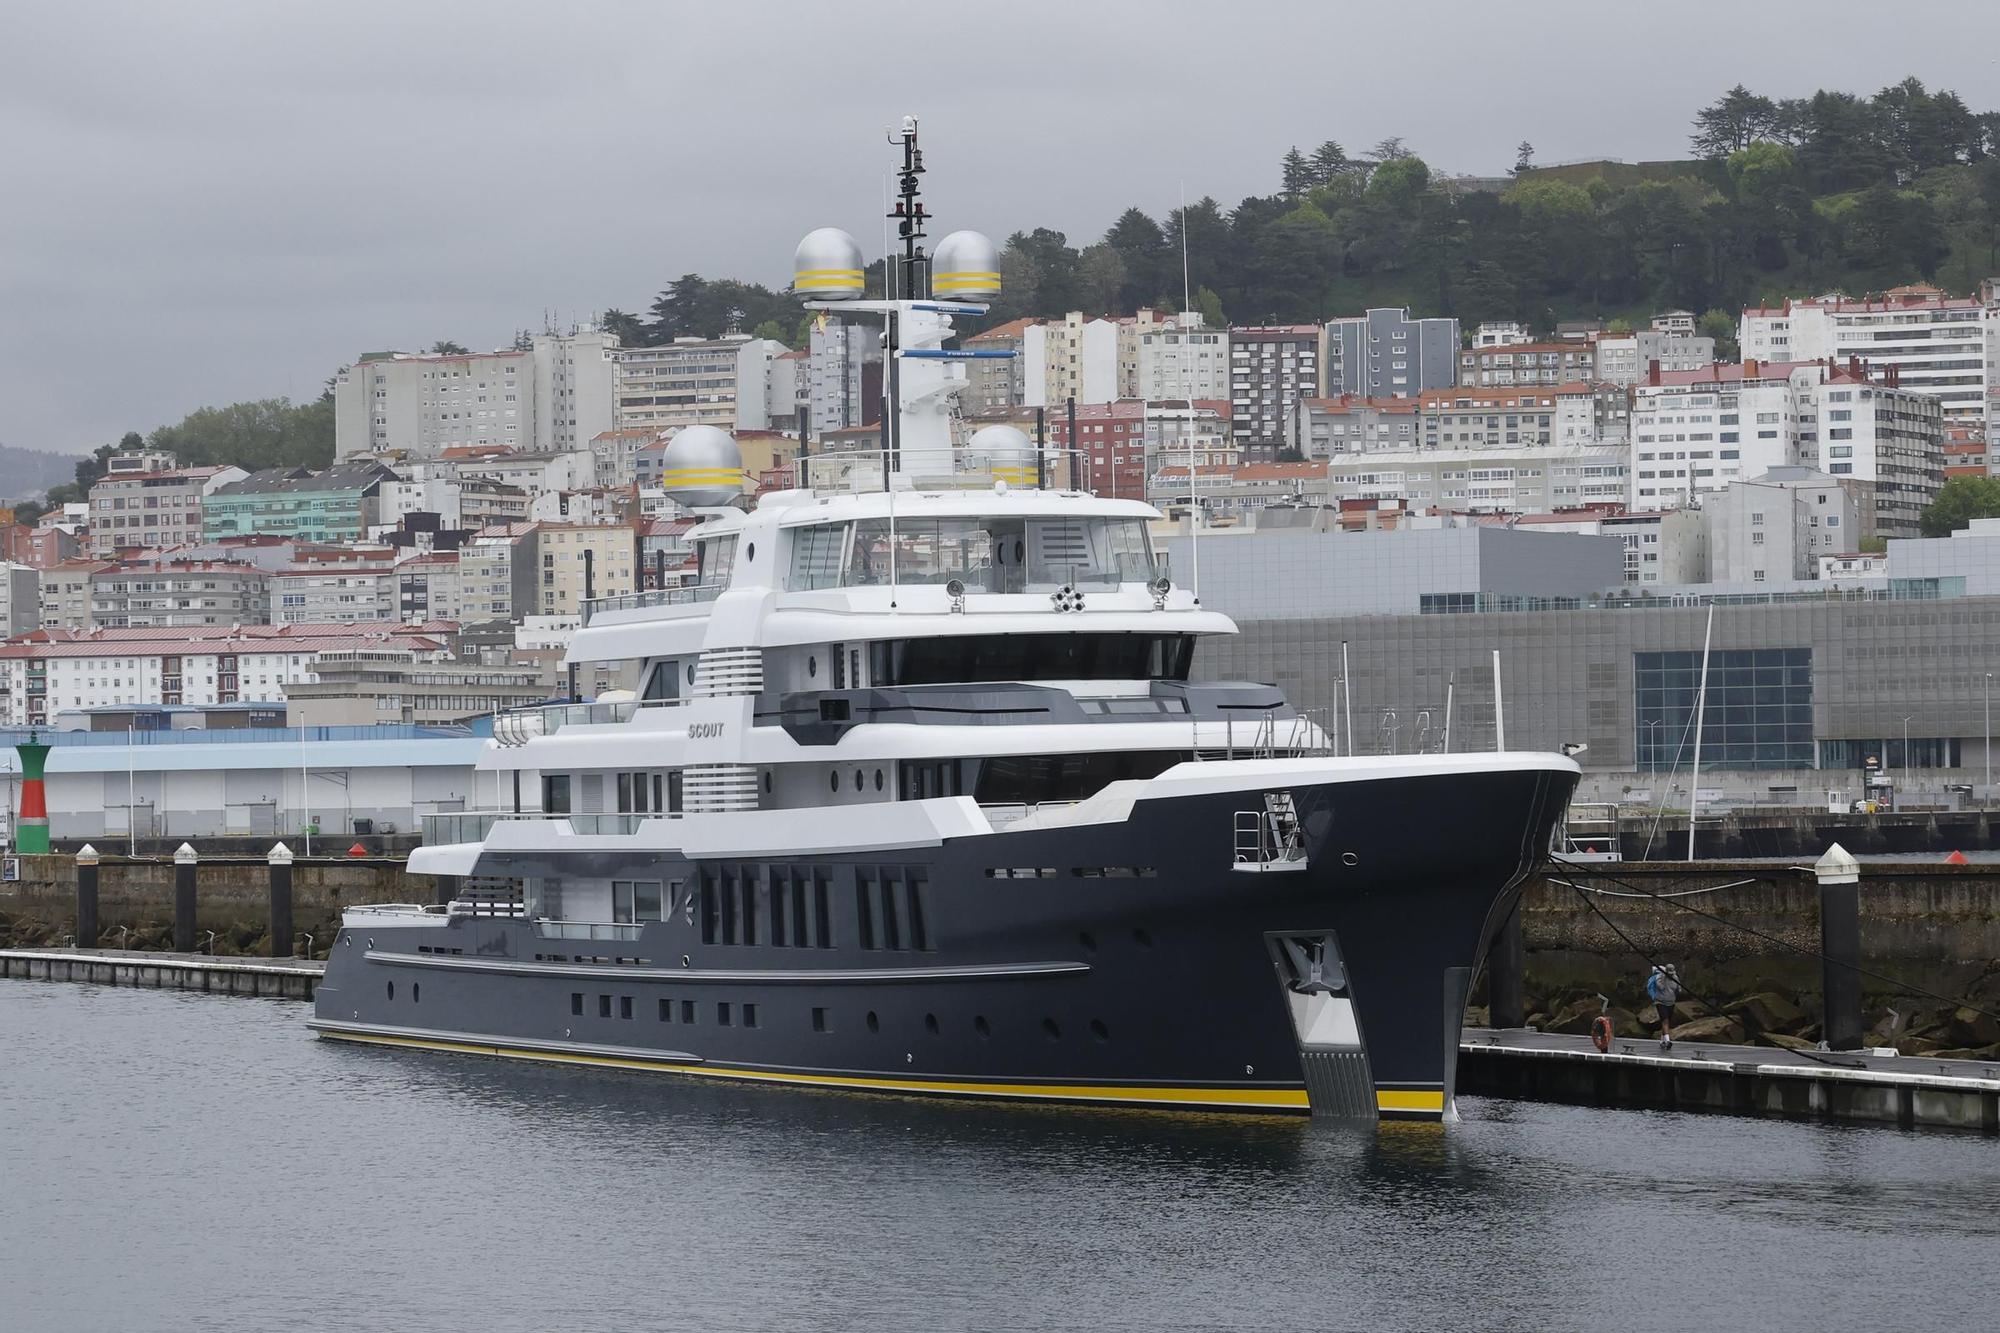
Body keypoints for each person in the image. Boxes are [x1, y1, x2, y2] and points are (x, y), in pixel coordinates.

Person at [1646, 964, 1681, 1049]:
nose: (1671, 975)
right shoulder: (1660, 977)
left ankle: (1662, 1041)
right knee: (1665, 1021)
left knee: (1667, 1022)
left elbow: (1679, 989)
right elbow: (1660, 987)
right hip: (1661, 1002)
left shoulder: (1675, 977)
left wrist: (1676, 990)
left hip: (1671, 1002)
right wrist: (1664, 978)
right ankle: (1668, 1041)